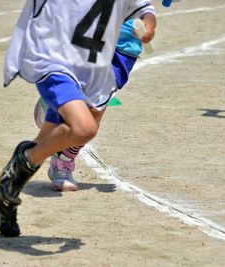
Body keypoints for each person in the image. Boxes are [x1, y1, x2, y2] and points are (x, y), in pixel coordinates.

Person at [0, 0, 156, 237]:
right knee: (84, 128)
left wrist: (148, 24)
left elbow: (145, 9)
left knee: (55, 135)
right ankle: (22, 160)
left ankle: (4, 192)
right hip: (55, 59)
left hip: (92, 65)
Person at [33, 14, 157, 191]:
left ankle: (63, 163)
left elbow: (148, 12)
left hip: (124, 50)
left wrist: (149, 27)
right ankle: (54, 104)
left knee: (94, 114)